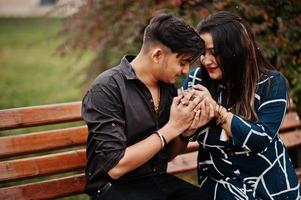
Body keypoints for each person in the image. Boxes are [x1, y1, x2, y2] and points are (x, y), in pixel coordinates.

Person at [81, 12, 212, 200]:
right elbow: (115, 167)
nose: (185, 71)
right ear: (157, 55)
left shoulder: (167, 88)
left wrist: (185, 131)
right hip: (113, 188)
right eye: (182, 62)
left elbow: (167, 155)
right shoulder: (107, 88)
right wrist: (172, 127)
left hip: (154, 181)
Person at [181, 11, 300, 199]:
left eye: (214, 52)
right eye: (202, 53)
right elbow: (188, 130)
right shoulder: (197, 80)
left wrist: (218, 112)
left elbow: (260, 140)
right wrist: (188, 126)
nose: (206, 60)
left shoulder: (270, 83)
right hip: (219, 184)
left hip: (271, 186)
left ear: (235, 49)